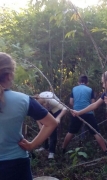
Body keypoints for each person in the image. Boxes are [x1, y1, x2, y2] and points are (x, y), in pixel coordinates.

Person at [0, 52, 58, 180]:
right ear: (9, 76)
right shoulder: (23, 100)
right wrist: (32, 145)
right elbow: (51, 123)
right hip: (16, 163)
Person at [62, 75, 107, 154]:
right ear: (87, 83)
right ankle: (105, 150)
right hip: (88, 113)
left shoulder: (74, 89)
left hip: (76, 113)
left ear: (78, 82)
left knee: (71, 131)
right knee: (96, 132)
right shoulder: (90, 90)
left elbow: (71, 102)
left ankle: (63, 149)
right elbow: (93, 103)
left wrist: (77, 107)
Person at [35, 91, 67, 159]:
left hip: (56, 109)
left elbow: (64, 108)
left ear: (45, 103)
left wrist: (58, 118)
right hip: (48, 110)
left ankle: (52, 151)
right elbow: (36, 114)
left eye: (44, 105)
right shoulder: (36, 102)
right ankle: (45, 146)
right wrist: (40, 125)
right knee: (44, 128)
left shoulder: (50, 99)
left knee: (52, 129)